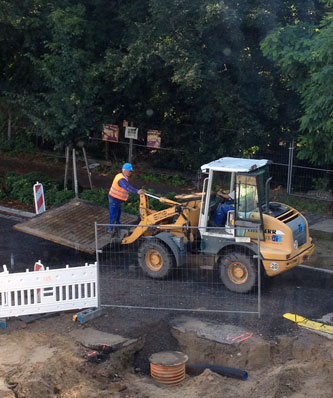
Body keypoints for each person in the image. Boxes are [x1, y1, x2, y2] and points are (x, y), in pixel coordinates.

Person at [108, 163, 145, 235]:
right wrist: (137, 191)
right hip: (114, 198)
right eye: (129, 171)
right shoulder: (121, 179)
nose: (130, 172)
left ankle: (117, 225)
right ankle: (111, 229)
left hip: (117, 199)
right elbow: (127, 187)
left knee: (118, 212)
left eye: (131, 171)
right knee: (113, 213)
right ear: (124, 170)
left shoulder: (122, 176)